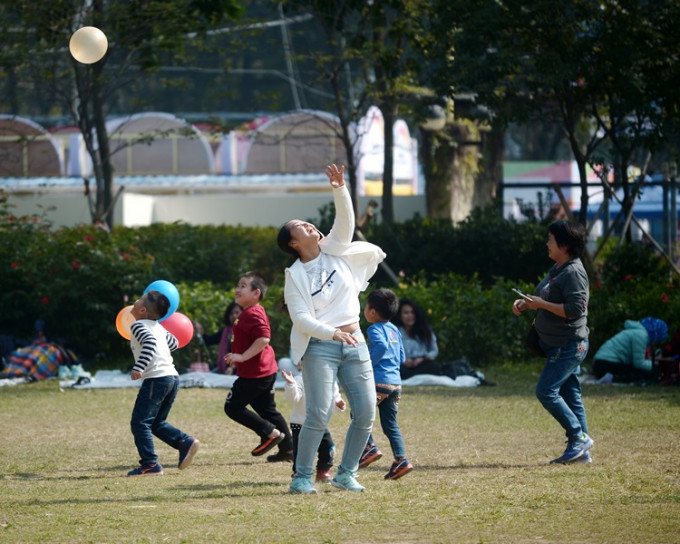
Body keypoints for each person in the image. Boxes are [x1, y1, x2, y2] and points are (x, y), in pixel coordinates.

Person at [277, 163, 386, 494]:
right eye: (299, 227)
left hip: (356, 342)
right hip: (320, 347)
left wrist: (340, 188)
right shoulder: (294, 276)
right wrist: (332, 333)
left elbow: (346, 223)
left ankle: (346, 473)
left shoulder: (333, 249)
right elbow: (301, 320)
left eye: (306, 223)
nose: (308, 225)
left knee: (366, 412)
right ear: (293, 243)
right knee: (318, 413)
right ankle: (301, 477)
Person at [512, 219, 593, 464]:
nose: (547, 243)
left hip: (569, 345)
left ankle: (578, 438)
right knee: (572, 396)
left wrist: (542, 305)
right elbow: (548, 297)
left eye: (550, 239)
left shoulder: (573, 272)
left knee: (546, 391)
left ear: (564, 244)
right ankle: (581, 451)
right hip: (561, 345)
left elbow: (576, 309)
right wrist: (527, 304)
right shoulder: (558, 268)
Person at [127, 290, 200, 476]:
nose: (136, 299)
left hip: (156, 379)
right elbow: (174, 342)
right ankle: (184, 442)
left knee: (140, 422)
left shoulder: (138, 326)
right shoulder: (158, 326)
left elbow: (150, 343)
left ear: (142, 310)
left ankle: (150, 464)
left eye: (139, 298)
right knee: (156, 422)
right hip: (172, 377)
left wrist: (139, 366)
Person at [223, 272, 293, 461]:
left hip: (256, 374)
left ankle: (270, 433)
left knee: (233, 407)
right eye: (238, 285)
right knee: (267, 410)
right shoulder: (249, 312)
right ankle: (288, 450)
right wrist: (239, 357)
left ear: (256, 293)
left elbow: (264, 338)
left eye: (244, 286)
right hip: (262, 371)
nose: (238, 289)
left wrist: (242, 356)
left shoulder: (253, 313)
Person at [359, 288, 413, 480]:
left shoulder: (374, 329)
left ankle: (369, 447)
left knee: (358, 412)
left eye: (365, 307)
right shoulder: (395, 330)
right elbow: (401, 357)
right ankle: (401, 460)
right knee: (390, 424)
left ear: (372, 312)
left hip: (378, 383)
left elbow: (380, 346)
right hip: (395, 384)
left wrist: (368, 365)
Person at [281, 367, 346, 482]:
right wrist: (291, 385)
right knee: (301, 452)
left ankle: (323, 470)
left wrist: (339, 404)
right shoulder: (300, 379)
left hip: (320, 423)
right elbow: (294, 399)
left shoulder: (330, 381)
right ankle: (299, 473)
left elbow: (335, 398)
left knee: (329, 448)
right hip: (300, 424)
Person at [592, 317, 668, 383]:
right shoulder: (641, 335)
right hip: (605, 365)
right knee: (642, 373)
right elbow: (639, 363)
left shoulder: (637, 332)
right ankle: (613, 378)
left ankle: (611, 377)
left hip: (599, 364)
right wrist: (658, 366)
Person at [195, 301, 242, 374]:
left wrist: (232, 367)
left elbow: (244, 352)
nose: (234, 316)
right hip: (225, 370)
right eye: (231, 313)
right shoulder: (225, 331)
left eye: (236, 313)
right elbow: (208, 341)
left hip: (241, 371)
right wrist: (201, 332)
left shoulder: (246, 331)